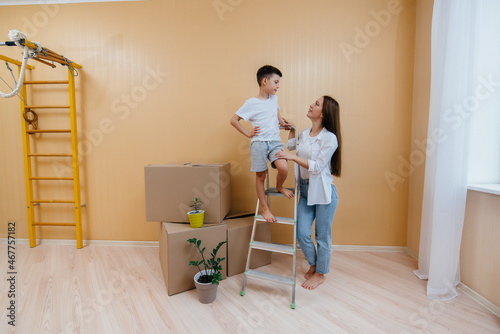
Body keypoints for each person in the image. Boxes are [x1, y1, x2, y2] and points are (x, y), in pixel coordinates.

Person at [275, 95, 342, 290]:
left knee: (322, 235)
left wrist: (292, 158)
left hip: (323, 192)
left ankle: (320, 273)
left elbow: (317, 166)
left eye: (316, 104)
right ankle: (314, 264)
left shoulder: (330, 138)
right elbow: (290, 147)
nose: (311, 105)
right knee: (302, 233)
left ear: (323, 113)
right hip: (305, 190)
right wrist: (292, 130)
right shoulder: (304, 133)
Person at [230, 65, 292, 223]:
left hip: (275, 142)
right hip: (259, 144)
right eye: (276, 82)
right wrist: (248, 134)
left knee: (283, 168)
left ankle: (279, 186)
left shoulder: (274, 99)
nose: (278, 86)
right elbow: (234, 120)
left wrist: (283, 123)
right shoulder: (251, 103)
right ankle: (265, 209)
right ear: (265, 81)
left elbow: (276, 113)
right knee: (260, 176)